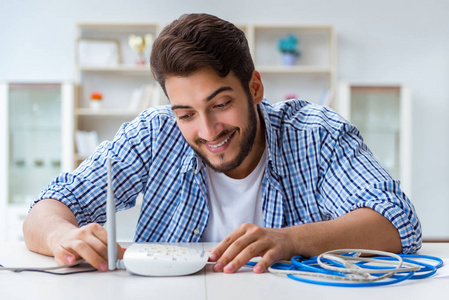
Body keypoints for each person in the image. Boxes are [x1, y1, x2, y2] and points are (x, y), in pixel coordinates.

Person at [23, 13, 422, 274]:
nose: (209, 130)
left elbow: (398, 223)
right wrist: (61, 235)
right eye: (187, 113)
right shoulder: (152, 134)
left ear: (255, 86)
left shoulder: (316, 134)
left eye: (221, 104)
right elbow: (46, 209)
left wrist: (290, 240)